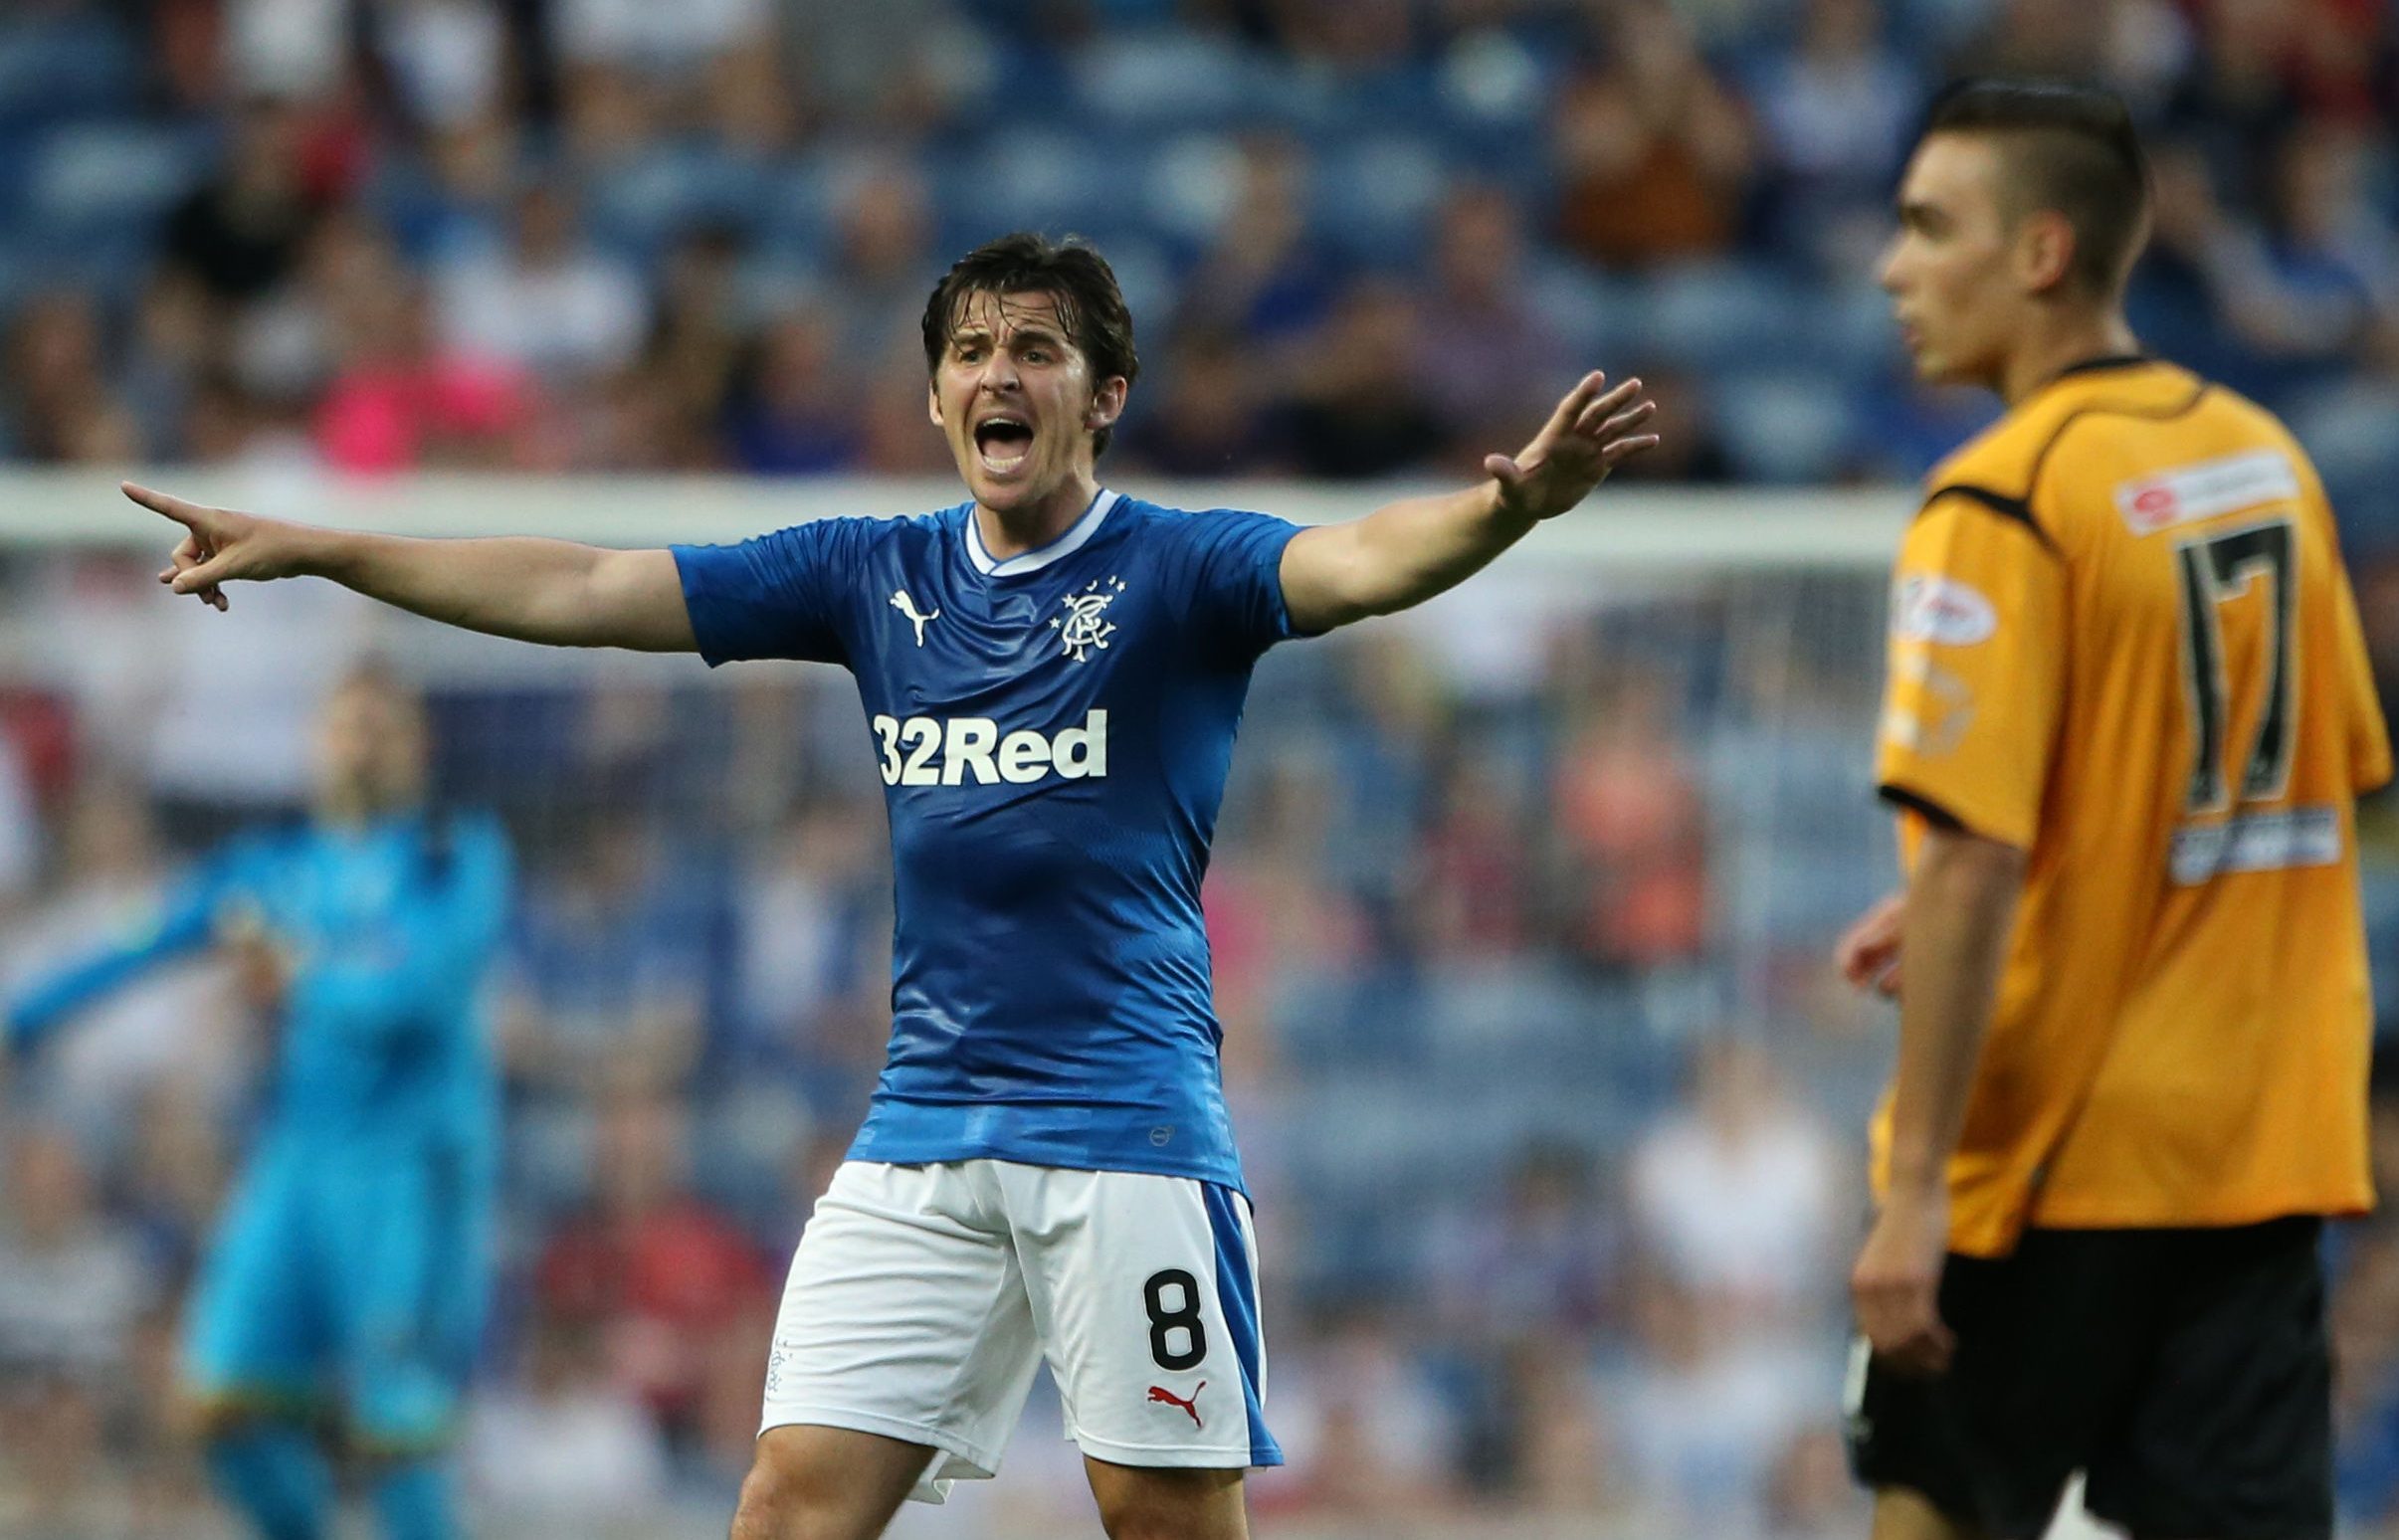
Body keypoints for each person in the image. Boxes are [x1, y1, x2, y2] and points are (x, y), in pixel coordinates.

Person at [119, 230, 1661, 1540]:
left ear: (1104, 395)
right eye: (972, 350)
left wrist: (1505, 506)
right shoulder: (874, 574)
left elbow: (1353, 562)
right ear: (933, 395)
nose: (999, 373)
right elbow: (590, 587)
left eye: (1039, 349)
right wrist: (329, 548)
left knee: (1163, 1520)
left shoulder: (1180, 571)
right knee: (788, 1505)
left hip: (1122, 1131)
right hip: (922, 1133)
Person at [1834, 79, 2392, 1540]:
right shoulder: (2263, 458)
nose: (1891, 268)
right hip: (2259, 1150)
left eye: (1924, 225)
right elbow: (2297, 787)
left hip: (2059, 1162)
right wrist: (2068, 871)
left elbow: (1968, 853)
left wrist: (1909, 1196)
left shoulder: (1997, 502)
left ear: (2036, 254)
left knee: (1933, 1514)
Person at [3, 667, 513, 1540]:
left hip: (406, 1173)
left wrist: (300, 976)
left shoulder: (455, 855)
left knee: (398, 1430)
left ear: (416, 748)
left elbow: (419, 990)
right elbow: (136, 941)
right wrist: (19, 1018)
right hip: (295, 1167)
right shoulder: (274, 871)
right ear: (316, 745)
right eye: (348, 725)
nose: (363, 743)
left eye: (384, 726)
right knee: (222, 1403)